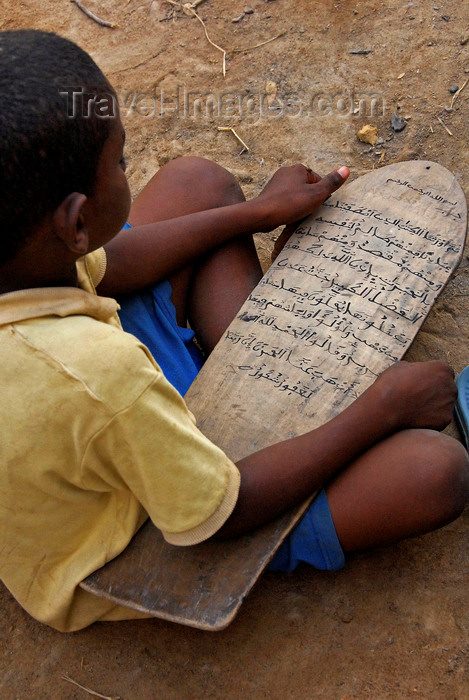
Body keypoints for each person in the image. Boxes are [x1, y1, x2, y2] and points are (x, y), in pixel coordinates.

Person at [0, 29, 467, 633]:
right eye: (119, 161)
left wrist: (256, 213)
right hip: (138, 538)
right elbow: (223, 511)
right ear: (74, 221)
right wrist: (382, 407)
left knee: (198, 184)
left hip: (81, 438)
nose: (126, 169)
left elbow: (111, 263)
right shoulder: (100, 378)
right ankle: (285, 402)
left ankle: (262, 364)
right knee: (436, 472)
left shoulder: (29, 255)